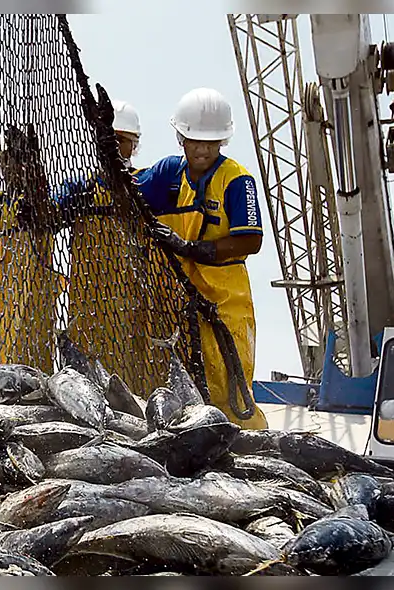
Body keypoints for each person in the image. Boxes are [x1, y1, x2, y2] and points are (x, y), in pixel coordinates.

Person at [134, 87, 268, 430]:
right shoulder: (168, 174)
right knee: (171, 384)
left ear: (223, 141)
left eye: (212, 143)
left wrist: (191, 248)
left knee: (228, 385)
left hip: (225, 299)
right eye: (195, 141)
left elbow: (250, 240)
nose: (203, 150)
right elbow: (126, 186)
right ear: (181, 137)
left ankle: (247, 450)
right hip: (175, 298)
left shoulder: (237, 180)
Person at [0, 124, 62, 372]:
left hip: (33, 302)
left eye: (15, 161)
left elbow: (46, 213)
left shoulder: (43, 201)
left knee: (30, 369)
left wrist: (36, 178)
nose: (8, 167)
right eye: (3, 160)